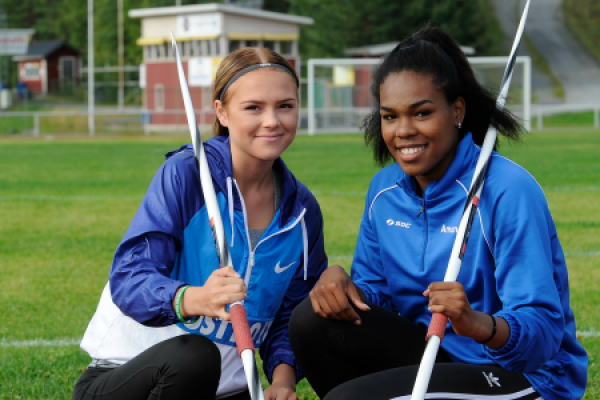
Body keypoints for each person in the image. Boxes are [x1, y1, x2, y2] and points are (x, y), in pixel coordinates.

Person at [289, 27, 588, 400]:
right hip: (437, 354)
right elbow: (378, 295)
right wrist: (346, 288)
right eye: (390, 117)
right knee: (311, 320)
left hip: (522, 374)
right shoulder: (384, 190)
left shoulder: (508, 189)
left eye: (422, 113)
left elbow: (541, 336)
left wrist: (476, 323)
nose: (403, 131)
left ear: (456, 110)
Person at [73, 47, 328, 400]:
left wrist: (282, 382)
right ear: (222, 112)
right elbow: (129, 277)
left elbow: (290, 314)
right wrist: (195, 299)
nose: (272, 120)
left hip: (229, 389)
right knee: (195, 356)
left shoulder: (302, 211)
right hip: (135, 378)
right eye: (253, 107)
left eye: (285, 106)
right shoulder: (187, 175)